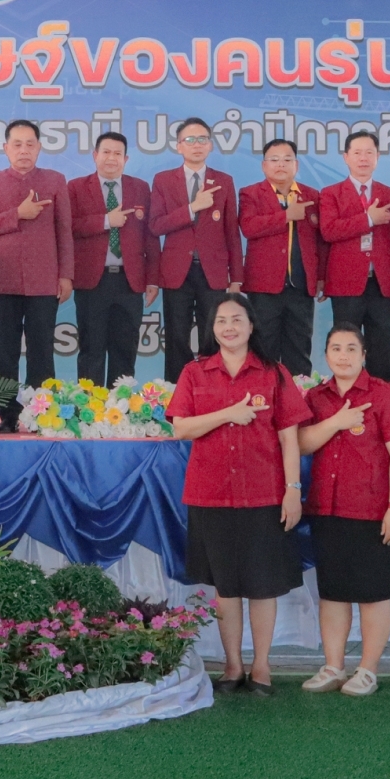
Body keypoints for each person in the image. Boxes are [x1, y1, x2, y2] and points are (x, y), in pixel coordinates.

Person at [165, 295, 308, 693]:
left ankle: (261, 666)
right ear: (212, 329)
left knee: (263, 586)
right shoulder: (195, 372)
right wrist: (228, 413)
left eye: (237, 320)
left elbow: (290, 439)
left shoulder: (274, 373)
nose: (229, 327)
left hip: (264, 495)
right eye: (221, 321)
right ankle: (232, 666)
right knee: (225, 588)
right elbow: (181, 428)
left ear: (251, 326)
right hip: (211, 495)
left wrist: (293, 489)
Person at [296, 323, 390, 697]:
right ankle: (333, 666)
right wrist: (336, 422)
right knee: (333, 593)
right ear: (326, 355)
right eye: (336, 348)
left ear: (364, 355)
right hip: (328, 509)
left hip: (374, 510)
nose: (343, 356)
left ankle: (367, 670)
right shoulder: (316, 397)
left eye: (351, 348)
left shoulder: (385, 395)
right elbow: (302, 443)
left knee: (373, 594)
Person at [0, 119, 74, 427]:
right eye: (17, 144)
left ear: (39, 148)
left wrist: (66, 275)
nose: (24, 150)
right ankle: (8, 415)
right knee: (4, 354)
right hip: (3, 282)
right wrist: (17, 213)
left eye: (30, 144)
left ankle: (41, 414)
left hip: (44, 281)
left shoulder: (55, 180)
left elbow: (64, 230)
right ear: (6, 148)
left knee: (42, 351)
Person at [150, 117, 242, 382]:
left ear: (210, 145)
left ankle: (211, 389)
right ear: (179, 146)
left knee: (212, 335)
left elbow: (231, 232)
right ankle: (176, 390)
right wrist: (192, 208)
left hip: (213, 272)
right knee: (176, 335)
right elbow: (156, 226)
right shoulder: (163, 180)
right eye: (190, 140)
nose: (197, 145)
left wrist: (236, 277)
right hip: (176, 271)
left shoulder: (224, 180)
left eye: (202, 139)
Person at [69, 131, 159, 386]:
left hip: (129, 282)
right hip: (92, 282)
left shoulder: (140, 187)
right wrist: (106, 221)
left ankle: (121, 405)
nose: (111, 158)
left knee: (125, 350)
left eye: (118, 153)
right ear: (95, 155)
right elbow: (68, 227)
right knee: (91, 349)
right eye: (106, 152)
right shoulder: (75, 187)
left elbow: (150, 236)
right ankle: (90, 406)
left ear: (126, 159)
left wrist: (152, 279)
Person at [318, 130, 390, 379]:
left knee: (381, 347)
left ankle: (383, 398)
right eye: (357, 153)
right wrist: (368, 219)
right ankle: (346, 395)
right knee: (346, 347)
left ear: (377, 157)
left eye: (369, 152)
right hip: (345, 284)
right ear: (346, 157)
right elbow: (328, 231)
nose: (363, 158)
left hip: (382, 285)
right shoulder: (331, 193)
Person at [238, 138, 321, 378]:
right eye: (274, 160)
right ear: (264, 166)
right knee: (264, 349)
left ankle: (299, 397)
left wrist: (321, 277)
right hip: (264, 288)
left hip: (300, 287)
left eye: (287, 159)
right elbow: (249, 227)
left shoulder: (311, 195)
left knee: (299, 350)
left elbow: (320, 242)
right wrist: (286, 216)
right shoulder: (251, 193)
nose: (281, 165)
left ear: (296, 165)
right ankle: (263, 396)